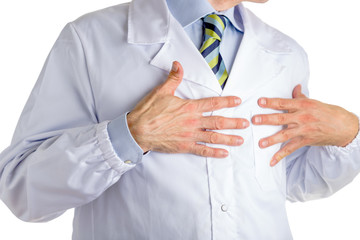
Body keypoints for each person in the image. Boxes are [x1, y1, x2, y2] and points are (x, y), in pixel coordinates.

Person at [0, 0, 359, 239]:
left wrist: (349, 138)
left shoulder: (285, 53)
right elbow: (24, 191)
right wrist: (127, 137)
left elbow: (285, 181)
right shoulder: (91, 40)